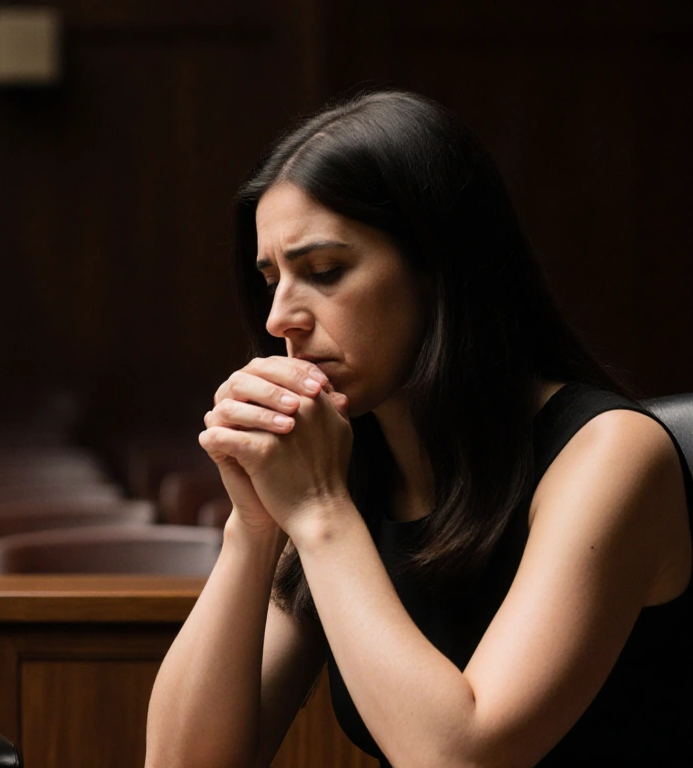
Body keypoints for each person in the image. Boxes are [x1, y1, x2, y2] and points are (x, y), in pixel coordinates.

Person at [145, 90, 691, 767]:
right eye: (271, 280)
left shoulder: (610, 453)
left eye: (324, 272)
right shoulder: (345, 464)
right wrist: (251, 528)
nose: (278, 318)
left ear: (441, 272)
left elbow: (461, 759)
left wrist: (318, 513)